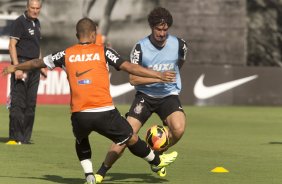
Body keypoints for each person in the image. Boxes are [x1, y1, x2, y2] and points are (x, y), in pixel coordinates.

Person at [2, 17, 178, 184]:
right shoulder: (103, 51)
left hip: (79, 114)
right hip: (104, 112)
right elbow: (128, 67)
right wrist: (158, 75)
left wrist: (15, 66)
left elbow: (36, 63)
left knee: (81, 139)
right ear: (94, 35)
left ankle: (89, 176)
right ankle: (156, 161)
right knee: (130, 137)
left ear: (77, 35)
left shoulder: (65, 54)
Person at [95, 7, 188, 183]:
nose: (162, 33)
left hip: (169, 95)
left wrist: (168, 82)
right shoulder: (140, 48)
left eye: (165, 29)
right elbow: (133, 79)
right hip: (145, 96)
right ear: (151, 28)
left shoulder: (180, 45)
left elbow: (180, 63)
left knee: (179, 128)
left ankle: (157, 157)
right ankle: (101, 172)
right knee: (125, 134)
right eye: (158, 29)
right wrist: (159, 79)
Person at [6, 0, 47, 145]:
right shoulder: (19, 22)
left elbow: (37, 46)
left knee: (31, 104)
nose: (35, 11)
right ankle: (14, 138)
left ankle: (24, 138)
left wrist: (41, 65)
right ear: (27, 7)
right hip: (22, 64)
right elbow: (12, 45)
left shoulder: (37, 23)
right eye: (32, 8)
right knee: (18, 103)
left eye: (37, 8)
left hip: (34, 66)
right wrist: (17, 67)